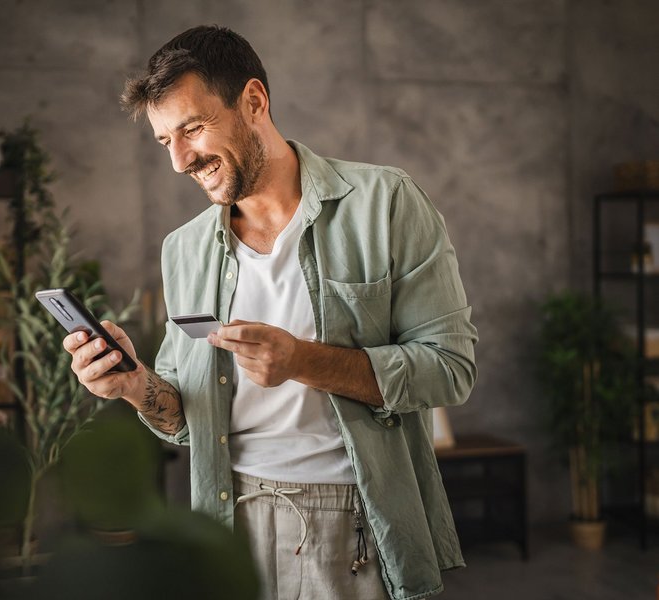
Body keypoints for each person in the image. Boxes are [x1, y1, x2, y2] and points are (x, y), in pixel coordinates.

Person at [63, 25, 478, 600]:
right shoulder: (183, 249)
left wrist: (303, 360)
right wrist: (134, 386)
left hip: (355, 521)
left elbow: (450, 368)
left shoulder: (384, 202)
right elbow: (186, 421)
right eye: (165, 142)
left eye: (193, 128)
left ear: (254, 102)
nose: (181, 159)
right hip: (226, 526)